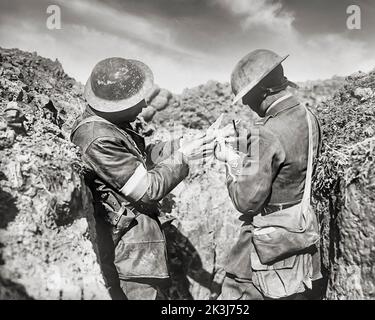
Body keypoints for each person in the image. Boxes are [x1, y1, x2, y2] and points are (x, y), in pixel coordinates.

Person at [70, 57, 231, 299]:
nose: (144, 104)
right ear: (115, 104)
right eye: (135, 100)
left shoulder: (111, 126)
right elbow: (147, 190)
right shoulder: (97, 138)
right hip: (129, 258)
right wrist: (184, 158)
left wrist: (185, 143)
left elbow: (141, 156)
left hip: (138, 249)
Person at [215, 49, 323, 300]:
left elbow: (246, 200)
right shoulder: (310, 117)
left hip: (265, 247)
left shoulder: (265, 133)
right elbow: (290, 164)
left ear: (262, 92)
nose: (245, 104)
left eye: (246, 97)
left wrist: (231, 162)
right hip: (301, 234)